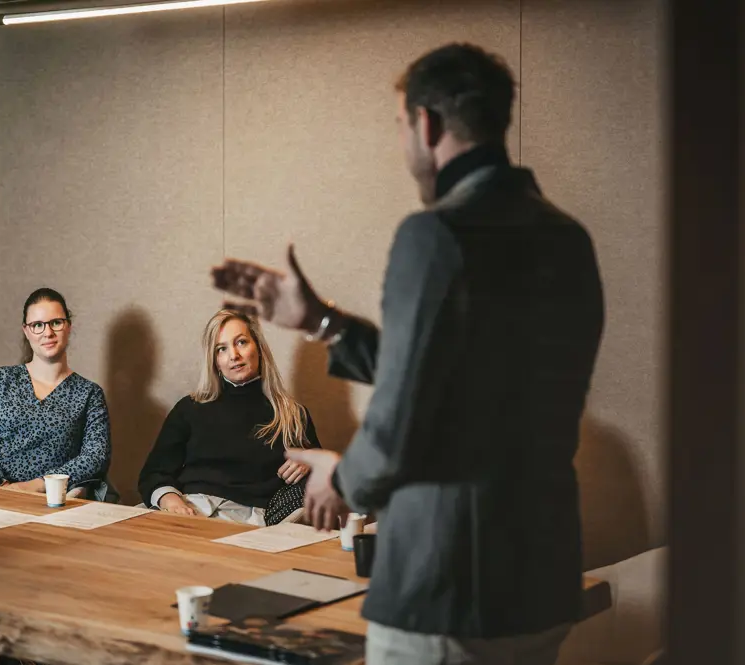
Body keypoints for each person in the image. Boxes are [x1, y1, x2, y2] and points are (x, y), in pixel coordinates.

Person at [211, 43, 604, 665]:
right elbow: (454, 374)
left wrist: (340, 477)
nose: (403, 146)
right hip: (541, 576)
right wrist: (321, 320)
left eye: (400, 127)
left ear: (426, 124)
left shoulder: (433, 234)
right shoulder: (567, 238)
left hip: (448, 584)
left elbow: (398, 424)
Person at [138, 309, 320, 526]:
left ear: (259, 348)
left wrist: (311, 462)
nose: (234, 355)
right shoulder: (190, 408)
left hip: (253, 520)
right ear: (215, 361)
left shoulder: (292, 415)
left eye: (241, 342)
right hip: (190, 508)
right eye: (221, 349)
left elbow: (325, 479)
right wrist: (171, 501)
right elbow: (153, 473)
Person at [0, 287, 113, 500]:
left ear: (68, 326)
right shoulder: (0, 379)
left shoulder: (89, 394)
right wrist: (1, 485)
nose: (47, 333)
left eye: (56, 322)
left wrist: (39, 486)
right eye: (37, 325)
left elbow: (95, 457)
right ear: (26, 331)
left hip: (49, 500)